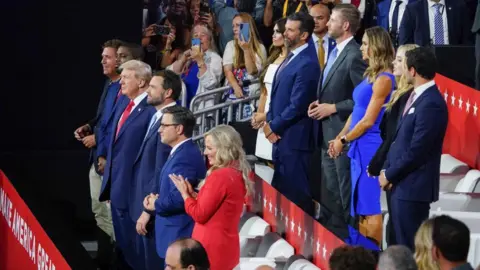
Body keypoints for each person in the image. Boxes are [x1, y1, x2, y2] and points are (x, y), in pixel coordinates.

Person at [328, 26, 395, 246]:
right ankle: (360, 251)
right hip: (356, 144)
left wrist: (344, 140)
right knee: (359, 206)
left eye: (366, 44)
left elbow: (367, 121)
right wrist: (339, 136)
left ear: (376, 47)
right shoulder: (370, 74)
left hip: (369, 146)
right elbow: (357, 112)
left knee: (370, 207)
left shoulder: (385, 78)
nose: (362, 48)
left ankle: (372, 255)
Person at [379, 47, 448, 251]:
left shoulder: (431, 104)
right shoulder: (416, 97)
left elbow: (418, 150)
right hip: (400, 185)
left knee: (409, 248)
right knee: (397, 245)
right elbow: (399, 140)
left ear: (412, 71)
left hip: (412, 189)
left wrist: (389, 173)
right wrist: (386, 171)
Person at [308, 3, 367, 223]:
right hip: (326, 133)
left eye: (332, 19)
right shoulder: (334, 49)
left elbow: (364, 99)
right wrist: (319, 102)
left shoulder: (354, 55)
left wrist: (333, 107)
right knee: (330, 195)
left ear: (345, 25)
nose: (327, 23)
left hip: (343, 134)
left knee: (343, 194)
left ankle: (348, 243)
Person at [98, 60, 156, 268]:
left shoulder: (151, 111)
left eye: (126, 77)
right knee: (122, 248)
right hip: (116, 188)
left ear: (141, 81)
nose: (120, 81)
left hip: (134, 193)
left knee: (136, 255)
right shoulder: (122, 102)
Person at [170, 125, 253, 270]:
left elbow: (200, 214)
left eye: (209, 148)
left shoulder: (220, 176)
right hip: (226, 247)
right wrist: (193, 195)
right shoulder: (235, 172)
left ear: (223, 148)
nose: (205, 152)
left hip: (210, 250)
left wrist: (185, 195)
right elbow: (217, 207)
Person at [73, 39, 123, 270]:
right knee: (98, 210)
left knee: (110, 213)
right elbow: (102, 120)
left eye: (108, 57)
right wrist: (89, 127)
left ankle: (115, 259)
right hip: (97, 157)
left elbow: (116, 126)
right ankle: (103, 259)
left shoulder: (122, 90)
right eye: (102, 56)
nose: (102, 61)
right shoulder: (109, 85)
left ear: (120, 60)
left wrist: (100, 144)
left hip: (107, 159)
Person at [263, 11, 319, 215]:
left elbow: (297, 104)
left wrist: (273, 126)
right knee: (282, 195)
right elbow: (276, 96)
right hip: (281, 138)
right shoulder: (291, 58)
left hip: (295, 139)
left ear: (304, 35)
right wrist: (270, 123)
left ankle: (304, 242)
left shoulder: (308, 63)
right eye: (285, 29)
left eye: (289, 30)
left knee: (296, 198)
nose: (284, 34)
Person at [368, 43, 419, 246]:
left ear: (410, 65)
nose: (393, 63)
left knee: (400, 237)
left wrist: (378, 165)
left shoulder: (409, 97)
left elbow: (394, 138)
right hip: (391, 170)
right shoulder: (400, 94)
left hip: (398, 174)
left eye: (399, 60)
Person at [143, 106, 207, 268]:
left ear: (179, 129)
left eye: (164, 126)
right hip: (170, 232)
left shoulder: (185, 157)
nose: (160, 130)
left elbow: (179, 199)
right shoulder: (180, 152)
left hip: (177, 234)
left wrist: (155, 204)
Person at [131, 70, 182, 270]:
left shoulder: (171, 121)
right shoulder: (156, 116)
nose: (148, 91)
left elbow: (161, 170)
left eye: (153, 87)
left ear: (167, 92)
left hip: (153, 207)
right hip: (144, 199)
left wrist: (147, 210)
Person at [252, 17, 288, 163]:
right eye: (273, 32)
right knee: (263, 163)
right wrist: (259, 115)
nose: (273, 35)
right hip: (264, 118)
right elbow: (264, 91)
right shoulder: (273, 57)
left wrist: (266, 118)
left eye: (277, 32)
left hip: (278, 117)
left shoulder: (292, 61)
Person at [223, 12, 267, 120]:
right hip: (233, 96)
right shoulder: (230, 45)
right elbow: (227, 70)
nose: (234, 29)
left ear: (248, 27)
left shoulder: (260, 48)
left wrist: (246, 50)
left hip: (252, 98)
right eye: (233, 26)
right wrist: (235, 86)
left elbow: (252, 71)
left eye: (238, 25)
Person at [169, 24, 223, 109]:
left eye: (203, 35)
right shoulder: (188, 57)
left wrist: (200, 60)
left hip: (199, 109)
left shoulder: (215, 58)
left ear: (210, 39)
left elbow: (210, 83)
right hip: (181, 104)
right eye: (196, 35)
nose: (199, 38)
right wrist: (182, 60)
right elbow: (169, 74)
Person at [398, 0, 471, 46]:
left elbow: (467, 40)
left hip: (453, 60)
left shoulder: (459, 7)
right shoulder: (412, 10)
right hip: (422, 63)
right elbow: (405, 44)